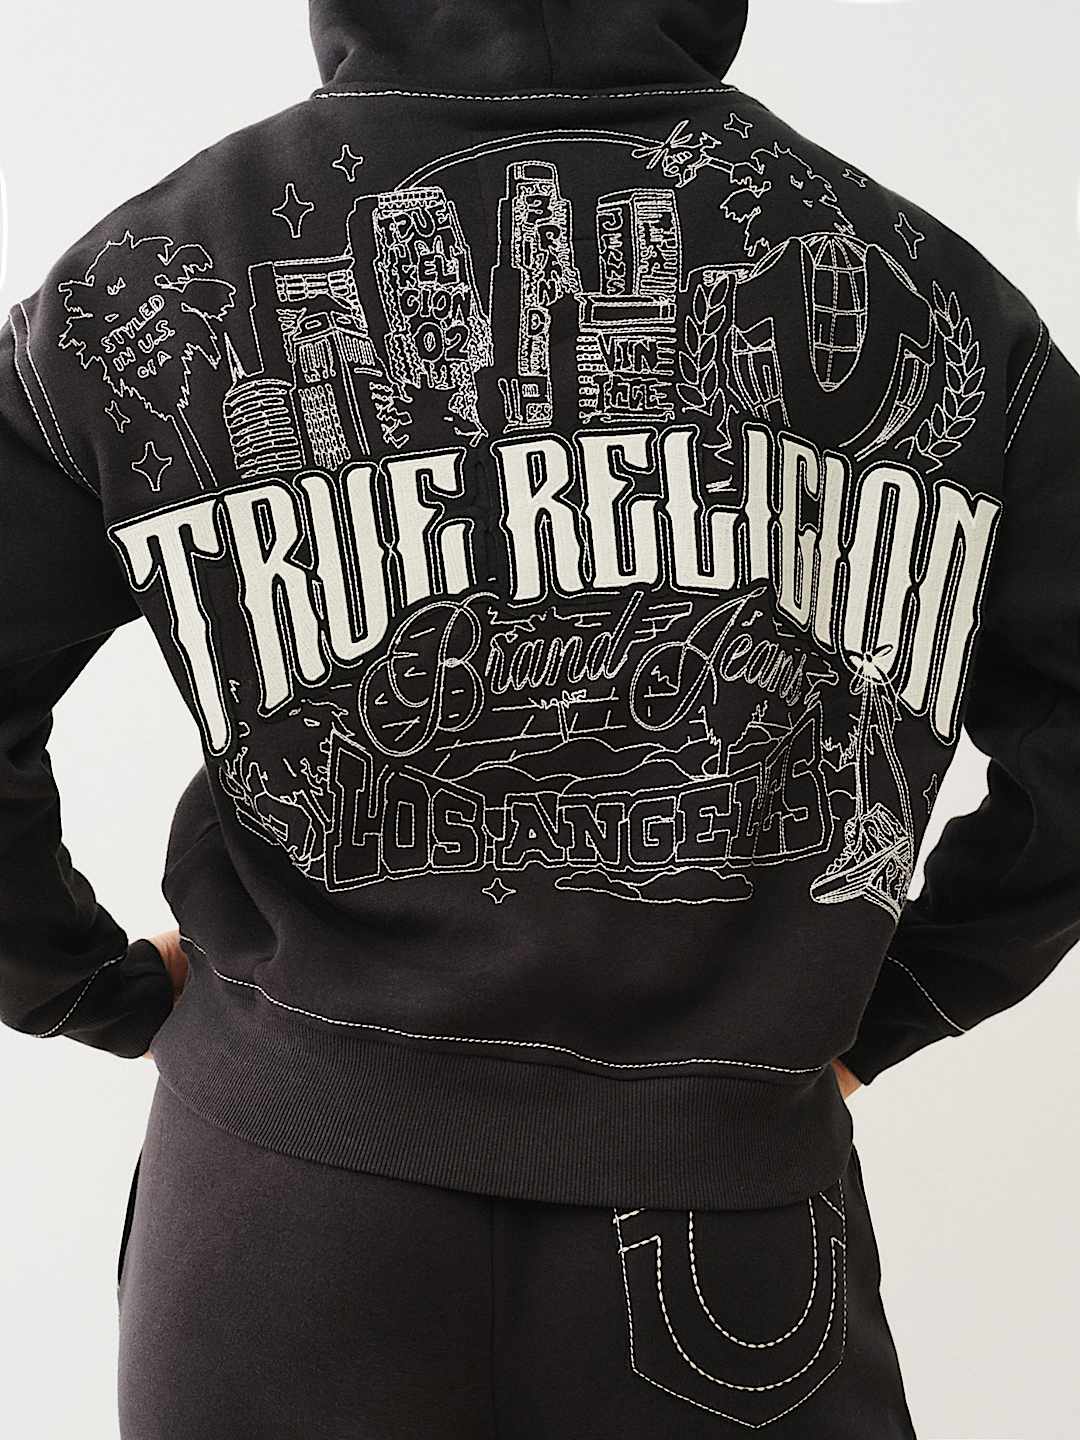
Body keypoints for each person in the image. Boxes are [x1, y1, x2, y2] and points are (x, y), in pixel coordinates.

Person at [1, 2, 1077, 1435]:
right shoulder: (934, 299)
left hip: (283, 1202)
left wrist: (84, 988)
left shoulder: (143, 276)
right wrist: (888, 1010)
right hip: (730, 1202)